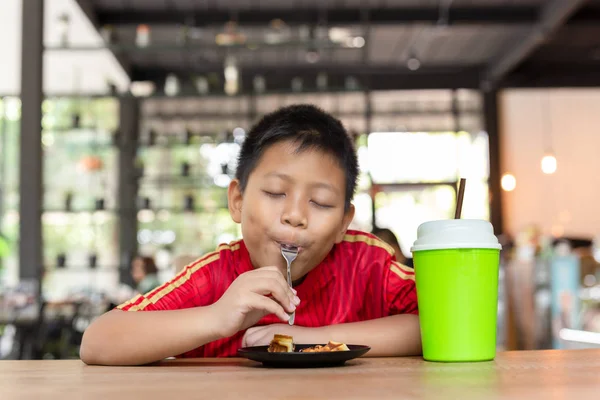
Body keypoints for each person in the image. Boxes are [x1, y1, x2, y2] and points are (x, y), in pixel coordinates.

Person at [80, 104, 420, 366]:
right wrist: (216, 317)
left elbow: (443, 320)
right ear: (238, 201)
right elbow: (97, 341)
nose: (296, 216)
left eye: (320, 202)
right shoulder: (215, 276)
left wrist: (312, 338)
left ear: (344, 222)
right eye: (275, 193)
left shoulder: (366, 264)